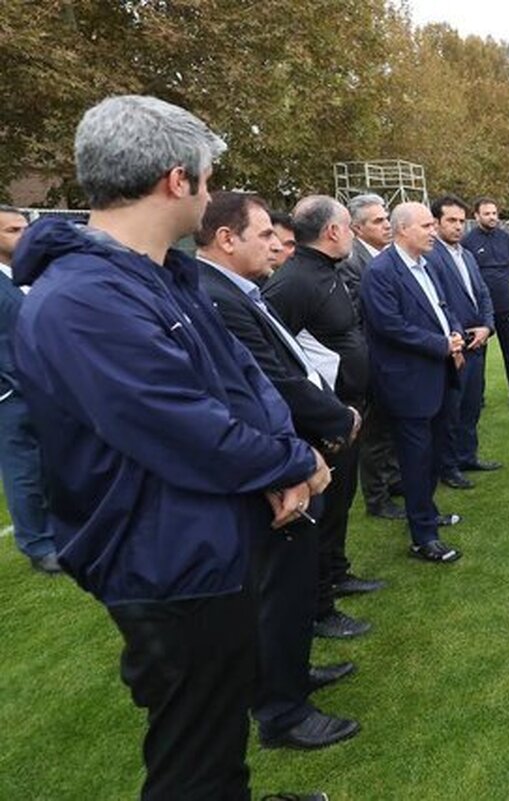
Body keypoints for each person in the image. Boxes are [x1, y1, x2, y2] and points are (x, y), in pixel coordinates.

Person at [11, 95, 331, 800]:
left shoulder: (159, 274)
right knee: (191, 752)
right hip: (165, 560)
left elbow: (241, 379)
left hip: (205, 540)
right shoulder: (84, 299)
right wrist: (295, 460)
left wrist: (279, 447)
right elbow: (183, 425)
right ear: (176, 180)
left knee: (217, 728)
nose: (213, 194)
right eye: (209, 179)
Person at [195, 191, 361, 751]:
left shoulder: (238, 292)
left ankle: (290, 677)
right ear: (226, 239)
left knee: (291, 590)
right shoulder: (216, 296)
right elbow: (269, 384)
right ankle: (282, 713)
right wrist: (335, 416)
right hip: (275, 465)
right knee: (277, 592)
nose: (278, 244)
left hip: (291, 451)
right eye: (266, 234)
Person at [264, 196, 379, 639]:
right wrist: (322, 416)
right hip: (324, 424)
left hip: (348, 411)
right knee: (322, 512)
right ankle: (319, 606)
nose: (351, 234)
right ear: (333, 232)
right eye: (349, 226)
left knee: (341, 504)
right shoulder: (293, 284)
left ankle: (338, 572)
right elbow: (279, 361)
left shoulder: (325, 274)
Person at [361, 202, 465, 563]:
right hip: (408, 383)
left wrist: (453, 331)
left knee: (435, 453)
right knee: (416, 460)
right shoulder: (381, 271)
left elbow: (442, 307)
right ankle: (423, 537)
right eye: (426, 226)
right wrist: (441, 344)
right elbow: (389, 325)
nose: (433, 231)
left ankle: (427, 511)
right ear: (402, 229)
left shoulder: (426, 265)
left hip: (438, 374)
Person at [427, 194, 501, 487]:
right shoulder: (431, 257)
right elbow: (438, 303)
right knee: (451, 410)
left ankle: (468, 456)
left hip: (478, 342)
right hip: (456, 345)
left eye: (461, 221)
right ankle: (448, 467)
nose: (458, 227)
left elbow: (483, 294)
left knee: (472, 404)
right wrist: (458, 335)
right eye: (451, 221)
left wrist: (487, 327)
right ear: (436, 223)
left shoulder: (467, 255)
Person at [0, 205, 58, 574]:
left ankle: (58, 531)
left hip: (42, 389)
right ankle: (37, 546)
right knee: (23, 469)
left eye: (24, 227)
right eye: (13, 230)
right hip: (12, 396)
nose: (23, 235)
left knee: (51, 465)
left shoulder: (25, 276)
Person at [339, 194, 405, 520]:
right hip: (371, 361)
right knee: (375, 433)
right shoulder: (351, 263)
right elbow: (355, 319)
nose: (386, 224)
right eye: (378, 220)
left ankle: (393, 481)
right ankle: (377, 499)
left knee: (389, 428)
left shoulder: (386, 256)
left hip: (390, 359)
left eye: (386, 217)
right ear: (357, 228)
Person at [463, 198, 509, 406]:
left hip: (505, 305)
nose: (492, 217)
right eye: (487, 213)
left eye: (494, 213)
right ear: (476, 216)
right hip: (479, 309)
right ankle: (478, 396)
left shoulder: (507, 239)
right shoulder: (468, 242)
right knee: (478, 354)